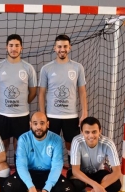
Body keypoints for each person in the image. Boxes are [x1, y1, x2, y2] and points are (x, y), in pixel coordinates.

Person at [4, 112, 76, 192]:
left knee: (67, 191)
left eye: (42, 123)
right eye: (35, 123)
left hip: (48, 173)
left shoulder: (56, 139)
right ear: (30, 124)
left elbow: (57, 166)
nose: (38, 127)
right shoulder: (23, 139)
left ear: (47, 124)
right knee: (9, 187)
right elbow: (21, 165)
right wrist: (30, 186)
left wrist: (47, 188)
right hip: (29, 173)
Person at [38, 34, 88, 168]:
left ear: (69, 48)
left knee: (70, 144)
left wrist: (84, 113)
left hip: (71, 116)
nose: (62, 49)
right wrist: (43, 115)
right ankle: (49, 171)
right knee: (49, 144)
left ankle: (73, 172)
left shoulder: (78, 67)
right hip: (52, 116)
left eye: (65, 46)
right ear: (55, 48)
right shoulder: (46, 68)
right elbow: (41, 93)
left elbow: (82, 92)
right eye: (59, 46)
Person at [0, 34, 37, 164]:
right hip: (2, 115)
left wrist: (22, 103)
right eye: (11, 45)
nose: (14, 48)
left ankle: (18, 175)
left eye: (17, 45)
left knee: (19, 146)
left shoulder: (28, 68)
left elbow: (33, 91)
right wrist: (1, 104)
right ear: (6, 47)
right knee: (2, 146)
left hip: (21, 115)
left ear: (21, 48)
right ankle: (1, 175)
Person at [68, 116, 122, 192]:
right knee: (75, 184)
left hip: (98, 173)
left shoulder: (108, 143)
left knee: (115, 185)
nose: (91, 136)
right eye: (87, 132)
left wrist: (100, 187)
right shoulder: (77, 141)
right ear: (82, 132)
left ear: (100, 131)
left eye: (94, 132)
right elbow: (75, 171)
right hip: (81, 174)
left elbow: (117, 172)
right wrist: (95, 185)